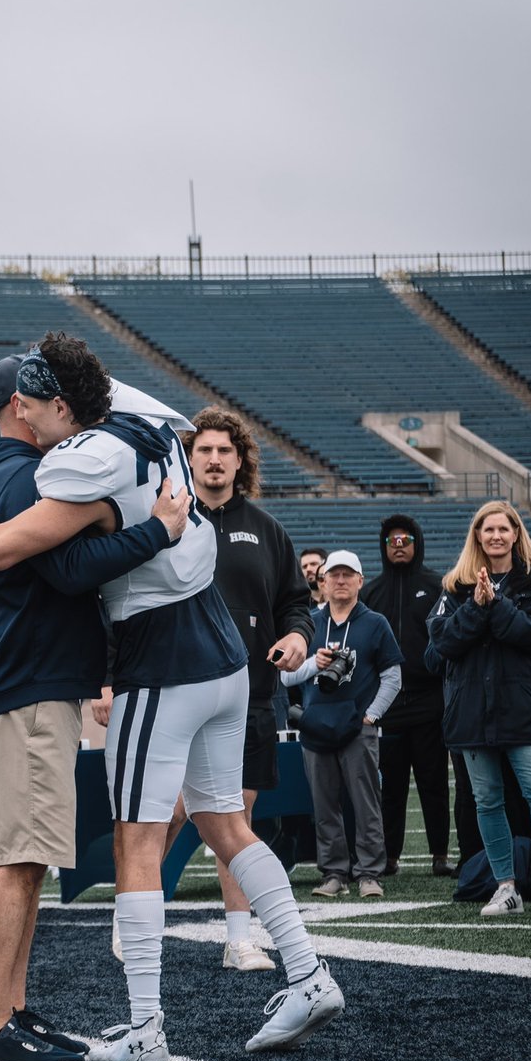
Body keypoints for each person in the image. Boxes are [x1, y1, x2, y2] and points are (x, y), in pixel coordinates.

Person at [0, 332, 344, 1061]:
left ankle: (145, 1027)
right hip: (223, 652)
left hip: (160, 655)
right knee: (226, 822)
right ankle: (308, 972)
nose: (29, 422)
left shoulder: (83, 461)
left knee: (138, 838)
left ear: (60, 404)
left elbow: (40, 560)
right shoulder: (140, 418)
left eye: (35, 408)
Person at [0, 353, 187, 1061]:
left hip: (28, 680)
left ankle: (11, 1011)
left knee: (27, 858)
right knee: (17, 858)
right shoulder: (25, 473)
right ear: (22, 408)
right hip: (22, 683)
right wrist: (157, 530)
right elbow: (67, 569)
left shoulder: (6, 472)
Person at [159, 407, 313, 971]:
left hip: (249, 694)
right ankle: (136, 922)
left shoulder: (267, 529)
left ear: (240, 459)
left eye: (226, 450)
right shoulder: (164, 519)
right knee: (166, 813)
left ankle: (239, 938)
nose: (216, 459)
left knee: (235, 817)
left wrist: (298, 635)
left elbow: (295, 602)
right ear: (188, 457)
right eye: (204, 450)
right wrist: (106, 681)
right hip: (176, 687)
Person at [428, 501, 531, 917]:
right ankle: (505, 887)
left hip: (522, 711)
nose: (496, 536)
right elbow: (441, 643)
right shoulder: (456, 584)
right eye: (488, 530)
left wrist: (494, 605)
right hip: (471, 713)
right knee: (486, 801)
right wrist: (476, 605)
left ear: (516, 533)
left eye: (504, 528)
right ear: (477, 536)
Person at [279, 550, 402, 899]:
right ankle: (333, 872)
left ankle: (368, 873)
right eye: (334, 575)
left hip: (357, 725)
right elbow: (287, 679)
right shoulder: (308, 623)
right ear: (323, 582)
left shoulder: (374, 622)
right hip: (317, 725)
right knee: (324, 804)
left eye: (349, 575)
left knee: (366, 803)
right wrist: (313, 666)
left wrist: (372, 714)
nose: (341, 581)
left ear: (360, 581)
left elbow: (392, 676)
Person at [360, 515, 454, 877]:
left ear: (417, 543)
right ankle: (390, 856)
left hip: (430, 701)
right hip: (387, 705)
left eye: (405, 539)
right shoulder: (371, 593)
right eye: (391, 540)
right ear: (383, 546)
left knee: (434, 782)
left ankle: (440, 854)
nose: (399, 545)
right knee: (391, 786)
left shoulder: (436, 585)